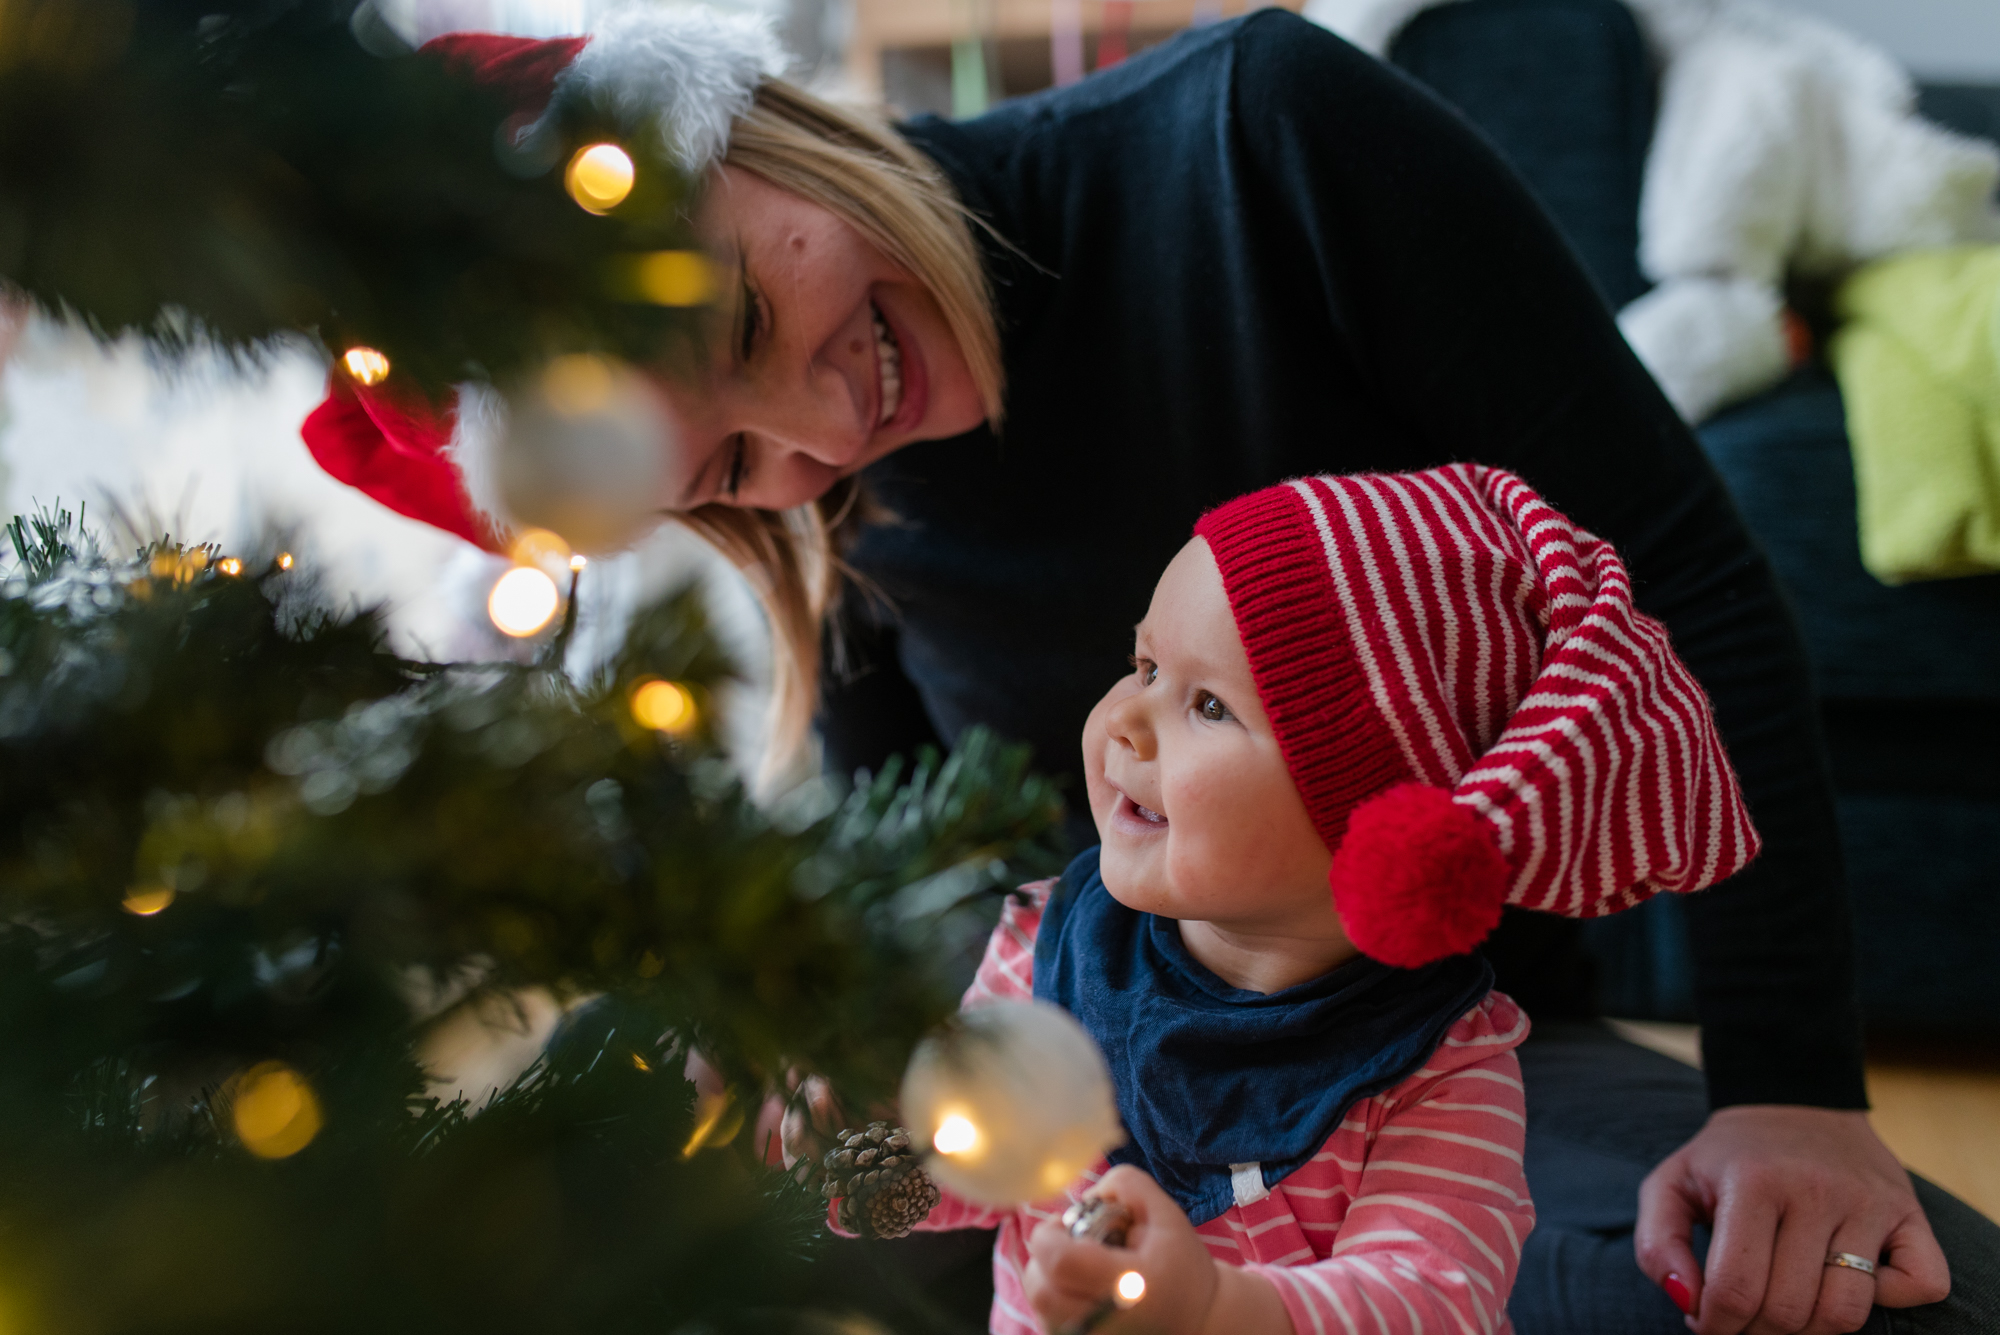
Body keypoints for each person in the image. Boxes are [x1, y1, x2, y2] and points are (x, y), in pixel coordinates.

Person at [300, 8, 1995, 1333]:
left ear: (752, 124)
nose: (822, 435)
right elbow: (911, 866)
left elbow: (1684, 573)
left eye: (745, 328)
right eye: (728, 471)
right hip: (1059, 1127)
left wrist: (1793, 1093)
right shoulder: (840, 514)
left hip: (1423, 1098)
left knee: (1902, 1298)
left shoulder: (1266, 140)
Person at [805, 464, 1759, 1335]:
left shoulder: (1437, 1068)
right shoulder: (1047, 938)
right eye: (1142, 667)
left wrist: (1219, 1307)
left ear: (1376, 827)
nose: (1124, 722)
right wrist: (849, 1153)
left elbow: (1430, 1296)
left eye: (1207, 704)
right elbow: (976, 1167)